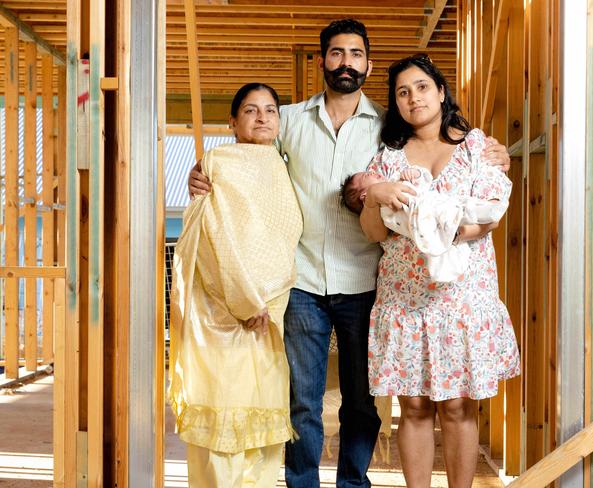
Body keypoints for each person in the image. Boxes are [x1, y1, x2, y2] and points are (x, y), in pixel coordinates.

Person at [188, 19, 512, 488]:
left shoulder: (389, 127)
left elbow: (449, 146)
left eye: (355, 54)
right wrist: (203, 171)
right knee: (303, 399)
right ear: (322, 61)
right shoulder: (290, 120)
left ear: (367, 63)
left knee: (363, 401)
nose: (346, 63)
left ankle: (353, 483)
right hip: (302, 280)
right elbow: (248, 150)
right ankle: (303, 483)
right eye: (336, 54)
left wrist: (493, 152)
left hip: (366, 279)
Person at [358, 54, 521, 488]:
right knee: (412, 407)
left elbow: (488, 218)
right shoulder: (387, 160)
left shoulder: (476, 148)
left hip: (462, 298)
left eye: (422, 87)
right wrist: (376, 195)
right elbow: (374, 232)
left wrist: (427, 228)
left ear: (441, 92)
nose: (414, 98)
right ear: (395, 103)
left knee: (456, 407)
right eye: (403, 92)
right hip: (405, 300)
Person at [169, 83, 303, 487]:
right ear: (232, 121)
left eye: (270, 110)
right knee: (222, 425)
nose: (262, 117)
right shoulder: (218, 163)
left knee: (262, 432)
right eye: (250, 110)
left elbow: (282, 236)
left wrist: (267, 303)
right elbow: (213, 237)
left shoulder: (283, 164)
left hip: (271, 314)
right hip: (226, 314)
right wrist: (245, 301)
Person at [340, 166, 509, 282]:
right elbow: (397, 224)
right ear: (364, 196)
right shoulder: (383, 210)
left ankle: (483, 211)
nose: (372, 172)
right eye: (366, 176)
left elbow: (422, 183)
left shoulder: (394, 179)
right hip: (424, 217)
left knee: (459, 206)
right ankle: (474, 216)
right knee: (449, 217)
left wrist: (414, 174)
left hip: (435, 203)